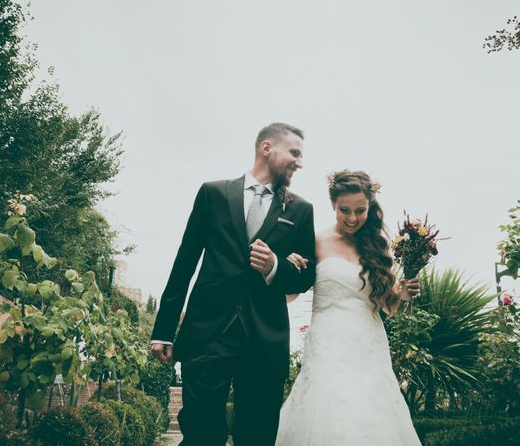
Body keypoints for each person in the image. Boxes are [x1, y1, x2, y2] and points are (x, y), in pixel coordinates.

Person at [151, 123, 316, 446]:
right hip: (208, 333)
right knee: (200, 433)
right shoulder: (213, 193)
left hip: (264, 339)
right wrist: (163, 329)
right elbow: (184, 263)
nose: (300, 162)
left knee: (256, 435)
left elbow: (307, 276)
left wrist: (275, 267)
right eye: (294, 153)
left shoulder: (300, 210)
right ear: (267, 148)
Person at [275, 170, 422, 446]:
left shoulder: (377, 247)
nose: (352, 218)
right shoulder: (315, 241)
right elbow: (289, 295)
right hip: (327, 343)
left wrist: (400, 294)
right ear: (332, 205)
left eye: (360, 211)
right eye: (344, 210)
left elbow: (385, 306)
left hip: (368, 344)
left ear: (369, 207)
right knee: (326, 408)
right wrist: (286, 268)